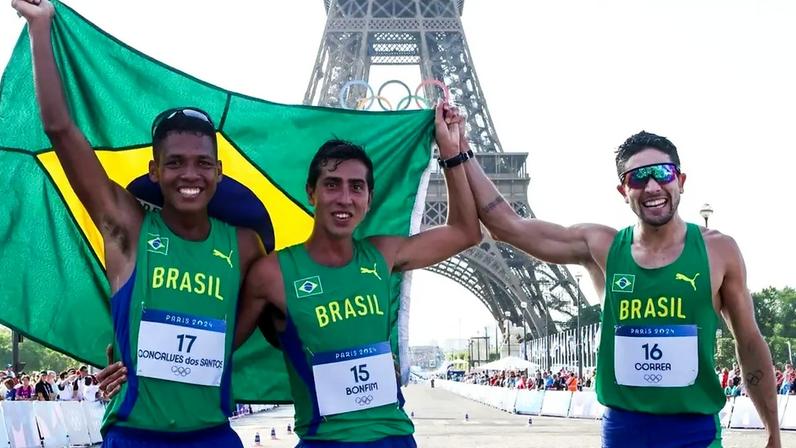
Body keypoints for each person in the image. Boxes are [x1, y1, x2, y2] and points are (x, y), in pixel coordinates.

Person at [13, 0, 262, 446]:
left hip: (214, 435)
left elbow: (250, 322)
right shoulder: (127, 228)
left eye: (203, 163)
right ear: (154, 170)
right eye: (176, 163)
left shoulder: (244, 246)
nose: (190, 175)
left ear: (219, 173)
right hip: (134, 435)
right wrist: (40, 27)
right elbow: (60, 130)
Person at [462, 129, 781, 447]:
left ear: (680, 181)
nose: (652, 185)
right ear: (622, 190)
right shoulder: (602, 246)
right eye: (638, 178)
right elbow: (506, 226)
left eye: (662, 173)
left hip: (695, 433)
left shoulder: (719, 251)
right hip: (624, 432)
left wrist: (773, 433)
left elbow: (749, 343)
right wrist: (461, 148)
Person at [231, 103, 480, 446]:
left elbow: (466, 232)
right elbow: (220, 348)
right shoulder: (272, 274)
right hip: (326, 441)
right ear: (311, 193)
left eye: (356, 187)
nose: (344, 198)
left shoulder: (382, 254)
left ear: (369, 198)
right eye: (332, 185)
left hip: (393, 437)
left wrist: (450, 151)